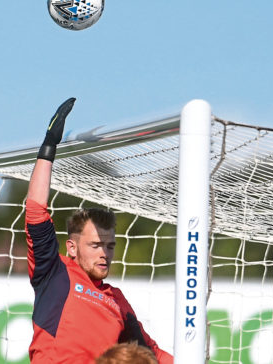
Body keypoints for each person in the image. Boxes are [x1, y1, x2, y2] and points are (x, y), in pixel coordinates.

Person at [25, 98, 173, 363]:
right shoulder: (54, 272)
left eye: (110, 246)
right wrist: (49, 145)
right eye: (95, 245)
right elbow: (36, 212)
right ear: (71, 248)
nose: (104, 253)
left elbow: (153, 353)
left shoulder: (117, 301)